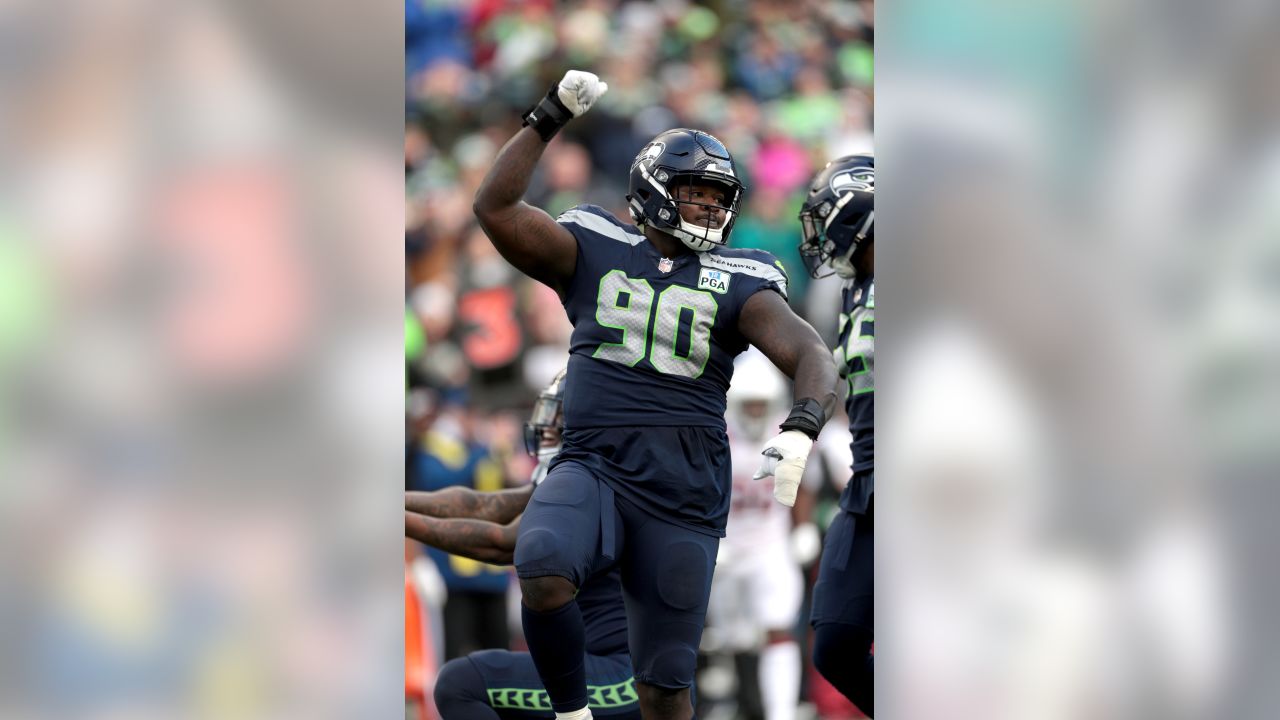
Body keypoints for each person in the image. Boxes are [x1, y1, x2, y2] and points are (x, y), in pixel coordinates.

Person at [471, 70, 838, 720]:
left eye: (717, 196)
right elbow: (495, 208)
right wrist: (549, 115)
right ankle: (570, 713)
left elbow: (810, 352)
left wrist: (802, 426)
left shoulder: (739, 278)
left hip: (683, 493)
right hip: (595, 463)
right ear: (655, 190)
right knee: (544, 561)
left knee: (665, 687)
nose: (709, 207)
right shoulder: (594, 245)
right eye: (695, 193)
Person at [406, 369, 642, 720]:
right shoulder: (586, 478)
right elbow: (482, 505)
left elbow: (501, 542)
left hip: (623, 678)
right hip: (593, 667)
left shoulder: (599, 484)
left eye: (557, 417)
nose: (545, 428)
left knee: (461, 683)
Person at [796, 154, 875, 716]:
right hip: (866, 478)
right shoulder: (856, 289)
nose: (822, 233)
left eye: (828, 218)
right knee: (836, 643)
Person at [702, 349, 820, 720]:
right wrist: (710, 539)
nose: (755, 412)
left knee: (778, 628)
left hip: (771, 546)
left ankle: (780, 711)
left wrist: (803, 528)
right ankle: (739, 704)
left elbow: (805, 483)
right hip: (729, 546)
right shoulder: (717, 435)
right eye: (749, 404)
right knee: (730, 637)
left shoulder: (786, 437)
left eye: (760, 405)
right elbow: (701, 491)